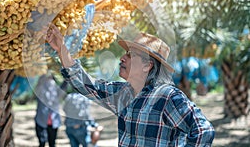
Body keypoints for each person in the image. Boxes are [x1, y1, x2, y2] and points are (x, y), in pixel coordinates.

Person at [46, 24, 215, 146]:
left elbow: (203, 131)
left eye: (131, 55)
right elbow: (85, 84)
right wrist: (61, 48)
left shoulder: (167, 97)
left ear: (147, 65)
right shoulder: (123, 93)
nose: (122, 58)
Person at [34, 72, 67, 147]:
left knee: (52, 144)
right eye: (48, 78)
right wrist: (44, 72)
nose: (50, 80)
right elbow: (39, 84)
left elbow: (63, 87)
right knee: (42, 143)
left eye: (51, 78)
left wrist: (67, 78)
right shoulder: (40, 92)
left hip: (53, 123)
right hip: (41, 121)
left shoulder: (57, 93)